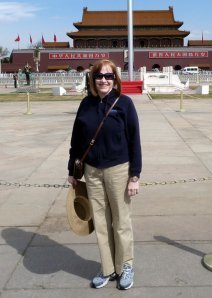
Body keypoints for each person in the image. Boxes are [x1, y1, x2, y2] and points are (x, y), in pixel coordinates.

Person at [68, 59, 142, 290]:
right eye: (99, 76)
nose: (103, 80)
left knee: (121, 220)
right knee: (100, 222)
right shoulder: (86, 105)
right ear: (93, 79)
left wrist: (135, 176)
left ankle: (126, 266)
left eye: (108, 76)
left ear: (115, 80)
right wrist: (72, 171)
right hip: (92, 171)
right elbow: (77, 141)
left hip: (118, 169)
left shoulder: (124, 104)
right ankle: (108, 268)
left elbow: (135, 140)